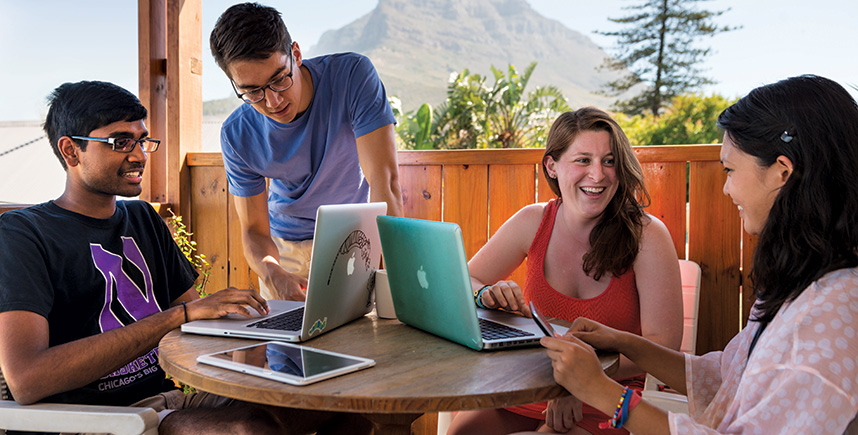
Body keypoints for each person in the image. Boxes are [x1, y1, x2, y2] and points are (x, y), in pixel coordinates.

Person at [0, 81, 371, 435]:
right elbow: (27, 379)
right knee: (251, 430)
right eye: (120, 142)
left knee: (345, 403)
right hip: (94, 419)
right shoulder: (24, 235)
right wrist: (180, 315)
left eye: (142, 141)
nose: (138, 155)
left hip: (168, 403)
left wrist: (275, 326)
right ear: (71, 151)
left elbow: (197, 325)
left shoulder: (142, 219)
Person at [541, 75, 858, 433]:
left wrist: (601, 391)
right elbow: (726, 375)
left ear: (781, 173)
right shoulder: (807, 284)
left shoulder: (821, 327)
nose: (726, 188)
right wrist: (621, 341)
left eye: (730, 170)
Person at [448, 107, 683, 434]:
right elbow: (464, 281)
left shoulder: (647, 235)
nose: (598, 175)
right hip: (533, 383)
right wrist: (485, 294)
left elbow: (665, 344)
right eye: (583, 160)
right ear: (552, 166)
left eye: (609, 161)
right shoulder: (532, 221)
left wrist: (580, 379)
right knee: (461, 432)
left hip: (608, 392)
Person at [209, 2, 404, 301]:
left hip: (353, 241)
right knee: (282, 333)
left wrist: (393, 277)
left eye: (279, 79)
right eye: (252, 91)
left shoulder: (352, 76)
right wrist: (271, 272)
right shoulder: (237, 134)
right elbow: (254, 230)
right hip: (283, 253)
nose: (273, 101)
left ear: (296, 54)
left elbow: (385, 182)